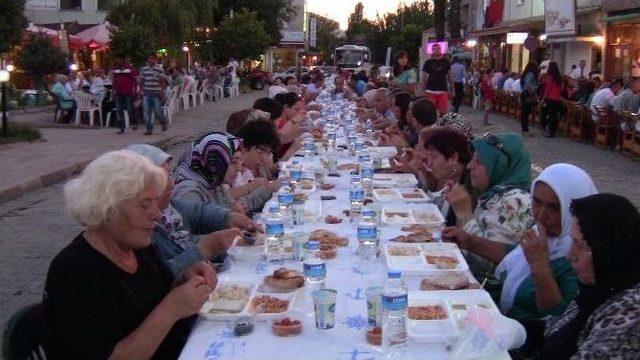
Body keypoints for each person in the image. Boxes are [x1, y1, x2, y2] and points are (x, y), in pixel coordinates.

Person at [43, 150, 216, 359]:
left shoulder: (137, 247)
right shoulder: (75, 272)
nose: (157, 214)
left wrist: (187, 281)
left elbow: (158, 296)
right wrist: (171, 309)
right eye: (145, 205)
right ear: (108, 209)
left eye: (155, 202)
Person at [533, 193, 640, 359]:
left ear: (607, 251)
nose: (570, 255)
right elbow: (555, 327)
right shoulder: (597, 289)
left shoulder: (629, 316)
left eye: (580, 245)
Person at [125, 144, 252, 276]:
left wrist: (228, 217)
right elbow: (158, 279)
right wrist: (206, 248)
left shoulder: (169, 208)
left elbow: (199, 213)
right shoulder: (139, 229)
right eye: (162, 179)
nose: (172, 184)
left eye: (169, 175)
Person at [442, 133, 533, 278]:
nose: (470, 166)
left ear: (500, 164)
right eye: (473, 159)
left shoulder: (516, 200)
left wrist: (463, 213)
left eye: (479, 161)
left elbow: (488, 263)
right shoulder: (493, 194)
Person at [173, 123, 281, 214]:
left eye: (239, 161)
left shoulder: (213, 183)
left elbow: (234, 208)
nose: (239, 168)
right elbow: (193, 236)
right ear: (214, 161)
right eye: (233, 162)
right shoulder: (189, 193)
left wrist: (268, 190)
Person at [419, 127, 474, 226]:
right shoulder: (455, 182)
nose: (429, 163)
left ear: (453, 157)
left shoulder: (471, 187)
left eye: (433, 156)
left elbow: (469, 237)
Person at [422, 43, 454, 116]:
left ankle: (441, 126)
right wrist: (423, 90)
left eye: (438, 49)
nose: (437, 51)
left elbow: (450, 77)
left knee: (443, 112)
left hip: (442, 90)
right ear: (432, 51)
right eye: (435, 49)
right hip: (430, 90)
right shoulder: (428, 62)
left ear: (441, 50)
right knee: (430, 111)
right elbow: (423, 77)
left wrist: (453, 90)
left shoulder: (446, 62)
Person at [273, 92, 306, 160]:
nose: (299, 112)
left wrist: (306, 129)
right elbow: (280, 140)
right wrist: (294, 122)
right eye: (296, 109)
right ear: (286, 107)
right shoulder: (279, 123)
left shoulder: (286, 121)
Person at [139, 55, 167, 135]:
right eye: (149, 58)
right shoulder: (144, 69)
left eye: (152, 58)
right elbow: (142, 80)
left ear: (155, 60)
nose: (150, 60)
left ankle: (163, 121)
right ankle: (149, 129)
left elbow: (162, 82)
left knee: (157, 111)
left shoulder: (159, 69)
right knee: (146, 112)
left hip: (156, 93)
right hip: (146, 93)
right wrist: (141, 90)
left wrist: (162, 92)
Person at [111, 56, 137, 134]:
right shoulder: (116, 70)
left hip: (128, 92)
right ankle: (121, 128)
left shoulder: (130, 68)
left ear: (123, 60)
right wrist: (113, 92)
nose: (117, 61)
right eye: (117, 59)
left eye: (119, 59)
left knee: (130, 109)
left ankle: (133, 123)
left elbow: (135, 79)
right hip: (118, 92)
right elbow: (114, 81)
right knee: (119, 111)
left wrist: (134, 90)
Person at [540, 62, 565, 138]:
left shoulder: (550, 78)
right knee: (554, 115)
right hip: (557, 99)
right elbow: (561, 90)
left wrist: (542, 100)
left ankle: (549, 131)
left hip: (550, 98)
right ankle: (553, 131)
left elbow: (547, 90)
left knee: (550, 115)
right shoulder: (560, 78)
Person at [520, 62, 539, 137]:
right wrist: (532, 91)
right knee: (526, 112)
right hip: (528, 95)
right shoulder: (531, 74)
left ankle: (525, 129)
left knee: (525, 112)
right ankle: (525, 130)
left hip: (525, 94)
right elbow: (527, 84)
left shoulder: (526, 73)